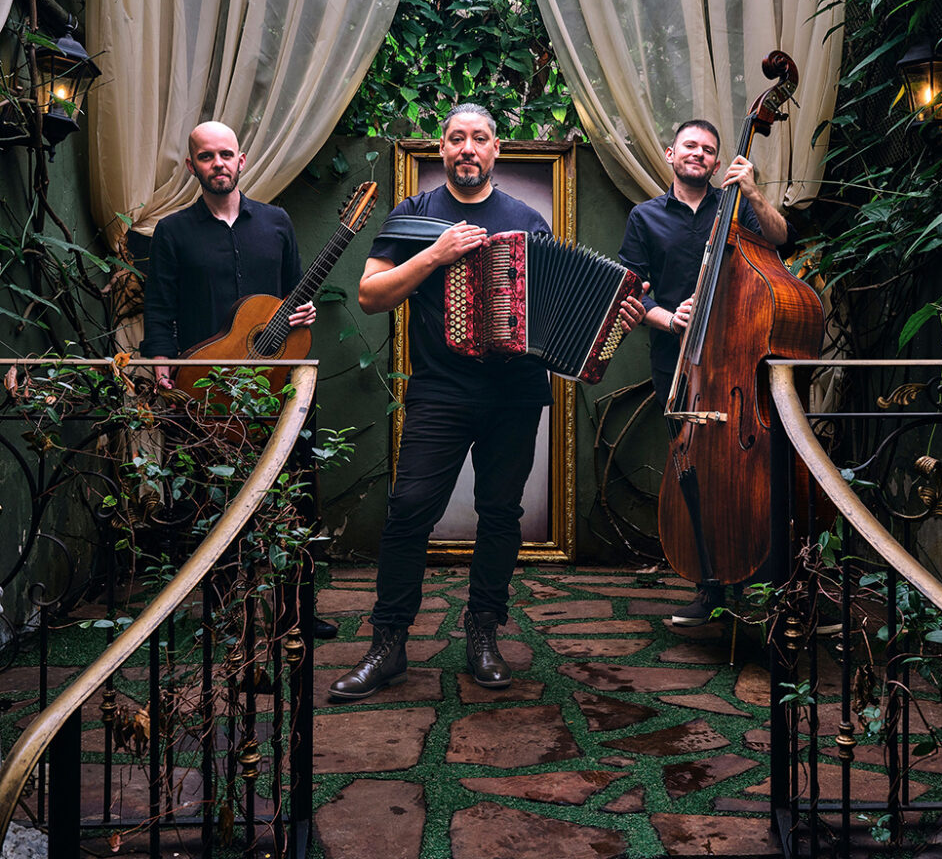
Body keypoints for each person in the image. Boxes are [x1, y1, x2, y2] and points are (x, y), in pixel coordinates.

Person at [328, 103, 642, 701]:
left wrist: (614, 321)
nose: (467, 148)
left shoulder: (529, 220)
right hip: (440, 388)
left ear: (497, 149)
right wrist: (435, 255)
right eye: (455, 139)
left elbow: (564, 307)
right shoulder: (412, 214)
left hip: (515, 391)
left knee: (501, 514)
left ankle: (483, 632)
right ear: (440, 150)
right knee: (410, 507)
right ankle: (387, 643)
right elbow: (370, 295)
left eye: (479, 138)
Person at [140, 120, 334, 637]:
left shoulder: (275, 222)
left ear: (242, 160)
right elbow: (158, 306)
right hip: (207, 389)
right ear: (192, 166)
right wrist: (160, 358)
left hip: (276, 384)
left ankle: (298, 612)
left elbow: (293, 295)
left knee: (296, 496)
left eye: (226, 154)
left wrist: (304, 314)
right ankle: (226, 613)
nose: (218, 164)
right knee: (212, 499)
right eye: (206, 157)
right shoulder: (173, 231)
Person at [618, 119, 795, 626]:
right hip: (680, 362)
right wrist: (668, 318)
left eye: (709, 150)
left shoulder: (737, 207)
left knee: (755, 472)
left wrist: (755, 192)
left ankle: (765, 578)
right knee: (692, 472)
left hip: (741, 358)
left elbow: (781, 240)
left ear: (718, 163)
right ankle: (708, 584)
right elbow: (631, 291)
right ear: (672, 153)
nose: (699, 154)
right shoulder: (645, 217)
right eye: (690, 146)